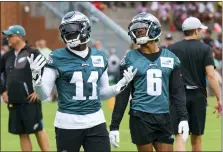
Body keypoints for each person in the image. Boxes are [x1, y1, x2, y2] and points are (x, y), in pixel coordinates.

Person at [27, 11, 137, 152]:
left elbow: (102, 93)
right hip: (68, 123)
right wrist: (36, 78)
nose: (69, 35)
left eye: (72, 30)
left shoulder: (100, 57)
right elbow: (43, 95)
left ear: (84, 29)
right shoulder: (56, 57)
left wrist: (118, 86)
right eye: (66, 31)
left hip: (96, 121)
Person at [109, 12, 189, 152]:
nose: (138, 33)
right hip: (140, 116)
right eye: (136, 31)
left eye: (141, 30)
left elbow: (177, 91)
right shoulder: (129, 59)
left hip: (164, 116)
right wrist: (114, 126)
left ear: (154, 29)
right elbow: (123, 94)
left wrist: (183, 117)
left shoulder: (171, 58)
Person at [168, 17, 222, 151]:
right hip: (198, 96)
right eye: (200, 30)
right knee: (196, 138)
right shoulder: (205, 48)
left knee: (180, 135)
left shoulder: (172, 48)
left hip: (177, 96)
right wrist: (219, 98)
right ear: (196, 30)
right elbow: (210, 75)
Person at [0, 25, 50, 151]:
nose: (7, 39)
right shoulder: (7, 56)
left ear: (20, 36)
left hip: (30, 101)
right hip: (13, 102)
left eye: (10, 36)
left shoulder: (33, 53)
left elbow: (48, 72)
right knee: (21, 133)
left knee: (38, 130)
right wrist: (3, 91)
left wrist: (39, 92)